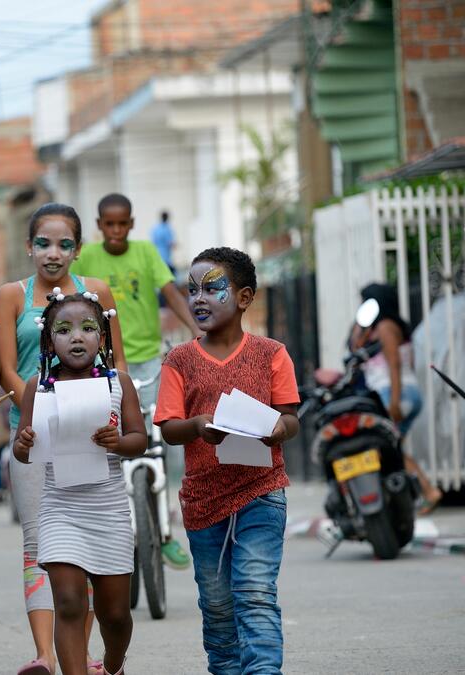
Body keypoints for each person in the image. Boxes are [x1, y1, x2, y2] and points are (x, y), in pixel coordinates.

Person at [0, 203, 124, 675]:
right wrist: (37, 407)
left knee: (86, 548)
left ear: (78, 249)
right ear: (28, 247)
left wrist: (110, 413)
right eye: (43, 243)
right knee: (40, 546)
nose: (53, 253)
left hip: (90, 436)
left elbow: (118, 364)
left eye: (64, 244)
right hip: (33, 436)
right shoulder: (11, 296)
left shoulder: (97, 292)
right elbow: (7, 367)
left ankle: (85, 654)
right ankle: (46, 654)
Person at [155, 247, 299, 675]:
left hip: (261, 491)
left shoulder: (272, 354)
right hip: (203, 502)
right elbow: (168, 427)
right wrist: (198, 425)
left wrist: (277, 428)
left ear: (245, 297)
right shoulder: (178, 360)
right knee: (217, 608)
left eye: (212, 288)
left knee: (255, 594)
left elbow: (290, 418)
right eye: (191, 289)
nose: (198, 298)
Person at [12, 290, 147, 675]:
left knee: (116, 614)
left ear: (102, 339)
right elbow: (24, 452)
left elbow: (140, 439)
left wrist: (119, 442)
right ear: (48, 340)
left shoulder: (118, 383)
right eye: (64, 329)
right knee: (69, 602)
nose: (76, 337)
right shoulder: (37, 388)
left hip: (108, 511)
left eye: (88, 328)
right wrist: (24, 443)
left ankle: (113, 665)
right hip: (60, 509)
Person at [72, 193, 200, 571]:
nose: (115, 231)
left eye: (122, 224)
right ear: (99, 225)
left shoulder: (146, 253)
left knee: (163, 440)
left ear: (131, 223)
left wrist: (194, 329)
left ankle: (165, 530)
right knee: (110, 442)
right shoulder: (87, 258)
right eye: (108, 224)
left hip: (146, 362)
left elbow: (170, 293)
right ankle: (114, 528)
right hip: (101, 362)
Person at [349, 283, 442, 513]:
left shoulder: (386, 327)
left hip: (395, 394)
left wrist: (395, 401)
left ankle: (428, 490)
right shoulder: (378, 327)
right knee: (390, 446)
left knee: (386, 446)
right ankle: (417, 492)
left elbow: (395, 365)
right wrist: (361, 325)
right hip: (398, 393)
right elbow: (355, 348)